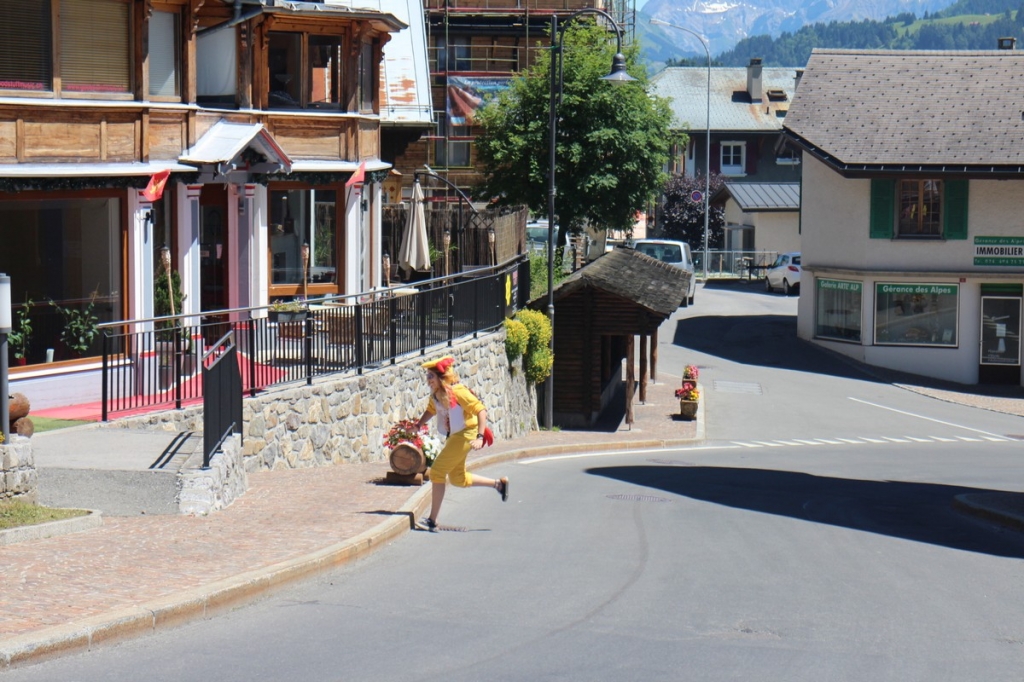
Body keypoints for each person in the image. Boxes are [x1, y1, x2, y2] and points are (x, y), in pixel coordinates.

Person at [413, 356, 508, 532]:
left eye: (431, 376)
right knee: (458, 479)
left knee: (437, 471)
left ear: (441, 377)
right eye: (427, 376)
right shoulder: (436, 394)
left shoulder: (458, 391)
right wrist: (418, 425)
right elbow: (431, 410)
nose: (428, 380)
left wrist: (480, 437)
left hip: (466, 434)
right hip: (455, 435)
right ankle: (499, 484)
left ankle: (432, 521)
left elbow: (481, 410)